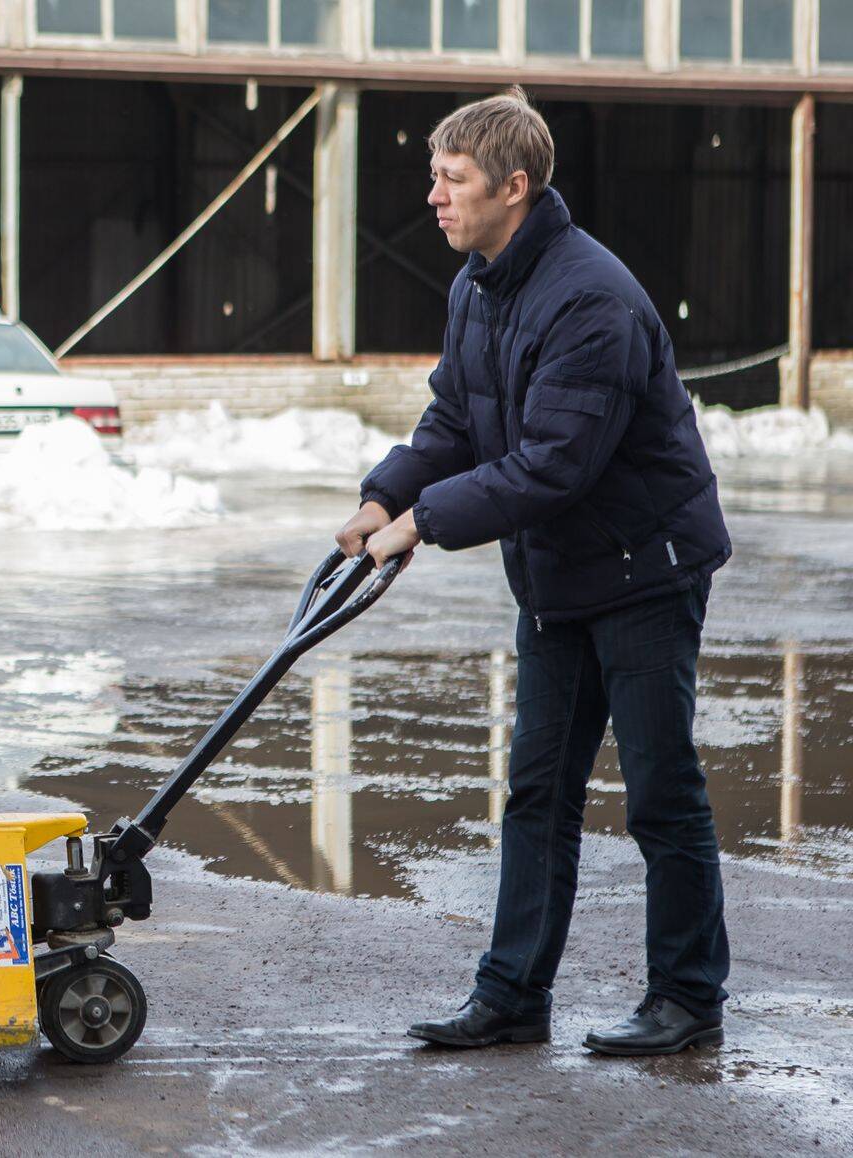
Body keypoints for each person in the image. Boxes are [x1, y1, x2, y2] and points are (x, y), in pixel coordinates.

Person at [337, 88, 732, 1056]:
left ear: (513, 187)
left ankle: (687, 997)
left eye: (453, 179)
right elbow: (457, 420)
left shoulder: (589, 297)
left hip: (646, 568)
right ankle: (512, 993)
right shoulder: (478, 283)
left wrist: (428, 521)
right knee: (537, 792)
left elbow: (554, 463)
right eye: (433, 176)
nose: (433, 196)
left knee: (658, 789)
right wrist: (385, 495)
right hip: (560, 577)